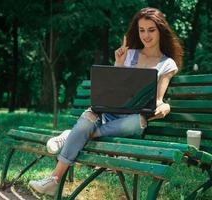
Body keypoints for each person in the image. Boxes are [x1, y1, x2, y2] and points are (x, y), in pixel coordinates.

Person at [29, 7, 183, 196]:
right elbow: (112, 90)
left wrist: (165, 106)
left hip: (131, 121)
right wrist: (118, 64)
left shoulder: (167, 64)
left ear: (160, 30)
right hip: (108, 112)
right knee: (88, 116)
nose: (146, 35)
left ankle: (73, 135)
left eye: (151, 30)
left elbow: (158, 99)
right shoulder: (130, 54)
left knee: (139, 121)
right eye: (142, 30)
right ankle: (54, 180)